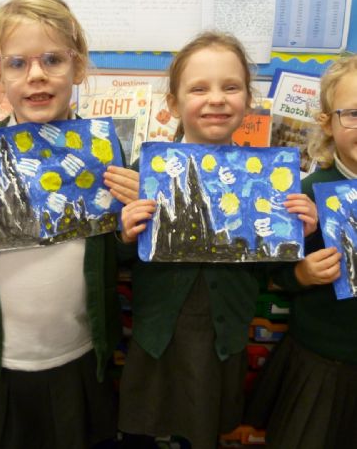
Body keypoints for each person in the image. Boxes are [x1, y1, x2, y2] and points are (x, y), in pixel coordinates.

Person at [0, 0, 134, 449]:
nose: (36, 75)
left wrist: (131, 226)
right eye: (17, 64)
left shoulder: (105, 152)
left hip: (82, 355)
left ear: (78, 67)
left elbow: (118, 252)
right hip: (4, 363)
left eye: (53, 59)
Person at [115, 31, 317, 449]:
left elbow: (278, 271)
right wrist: (124, 232)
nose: (216, 99)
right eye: (198, 89)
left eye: (230, 87)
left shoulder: (268, 181)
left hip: (223, 342)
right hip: (158, 341)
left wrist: (298, 233)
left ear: (248, 99)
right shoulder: (144, 173)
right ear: (173, 104)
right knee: (145, 428)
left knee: (206, 429)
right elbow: (112, 257)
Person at [245, 55, 357, 449]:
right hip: (322, 360)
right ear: (327, 122)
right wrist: (303, 274)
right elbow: (274, 274)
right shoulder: (306, 194)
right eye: (354, 114)